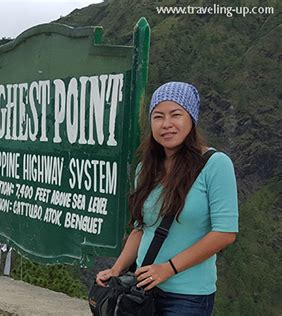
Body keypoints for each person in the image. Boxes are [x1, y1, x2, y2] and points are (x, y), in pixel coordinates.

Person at [96, 82, 238, 315]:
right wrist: (116, 269)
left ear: (191, 119)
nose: (167, 124)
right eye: (158, 116)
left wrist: (168, 269)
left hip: (188, 296)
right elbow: (141, 228)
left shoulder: (215, 164)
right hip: (142, 290)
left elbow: (225, 233)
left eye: (176, 114)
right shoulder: (146, 168)